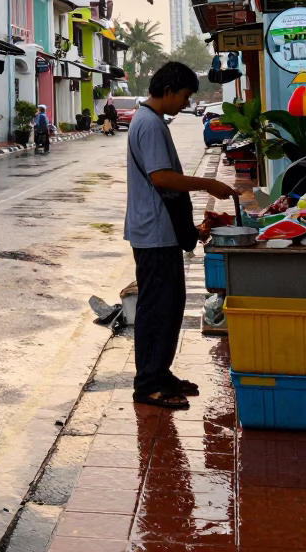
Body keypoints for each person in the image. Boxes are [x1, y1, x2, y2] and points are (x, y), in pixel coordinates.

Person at [125, 62, 239, 410]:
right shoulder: (149, 124)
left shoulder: (153, 122)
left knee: (169, 307)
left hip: (162, 231)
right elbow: (161, 178)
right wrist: (208, 184)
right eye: (186, 96)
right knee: (157, 309)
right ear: (170, 89)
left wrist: (190, 230)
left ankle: (161, 373)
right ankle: (148, 384)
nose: (186, 103)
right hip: (153, 233)